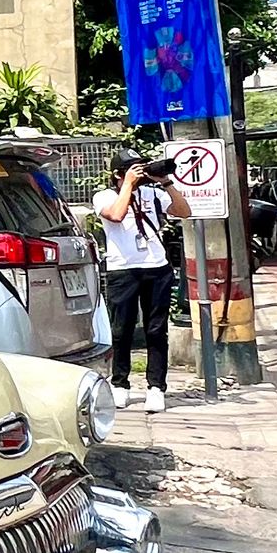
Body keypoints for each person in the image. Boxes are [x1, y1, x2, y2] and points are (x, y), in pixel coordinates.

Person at [92, 151, 192, 414]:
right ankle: (120, 384)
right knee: (121, 329)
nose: (138, 174)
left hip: (156, 267)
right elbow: (115, 215)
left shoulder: (153, 194)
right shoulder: (104, 196)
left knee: (156, 330)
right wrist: (127, 185)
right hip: (122, 269)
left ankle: (156, 387)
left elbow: (184, 211)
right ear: (117, 174)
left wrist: (166, 183)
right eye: (131, 170)